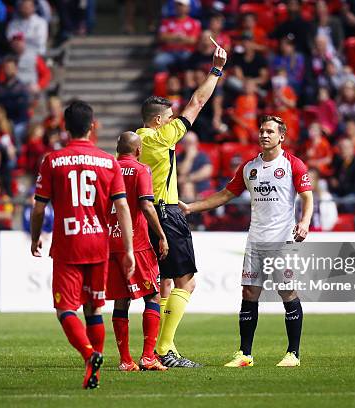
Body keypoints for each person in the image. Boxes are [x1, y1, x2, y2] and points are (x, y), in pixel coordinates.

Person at [180, 115, 313, 368]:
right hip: (256, 239)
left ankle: (293, 354)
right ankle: (245, 354)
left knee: (286, 291)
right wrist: (192, 208)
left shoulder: (293, 165)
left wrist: (304, 222)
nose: (264, 135)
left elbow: (307, 197)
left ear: (281, 136)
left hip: (282, 239)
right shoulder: (249, 168)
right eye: (262, 131)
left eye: (270, 132)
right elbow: (224, 195)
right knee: (249, 292)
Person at [30, 100, 135, 389]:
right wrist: (127, 249)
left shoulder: (52, 160)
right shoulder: (108, 162)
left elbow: (38, 208)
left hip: (68, 244)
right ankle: (95, 371)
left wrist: (35, 236)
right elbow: (123, 208)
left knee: (65, 309)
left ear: (64, 127)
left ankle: (89, 355)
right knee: (94, 309)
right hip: (98, 244)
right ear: (93, 127)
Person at [135, 42, 227, 368]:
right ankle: (164, 348)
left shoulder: (135, 140)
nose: (176, 122)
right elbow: (198, 101)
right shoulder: (163, 136)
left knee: (163, 282)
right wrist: (216, 69)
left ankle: (153, 350)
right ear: (159, 120)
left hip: (143, 213)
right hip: (166, 212)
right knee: (187, 281)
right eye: (170, 117)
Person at [107, 131, 169, 372]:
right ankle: (147, 357)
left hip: (111, 243)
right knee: (152, 295)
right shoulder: (141, 170)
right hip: (138, 243)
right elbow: (145, 204)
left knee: (121, 300)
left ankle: (125, 360)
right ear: (138, 150)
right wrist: (162, 235)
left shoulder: (107, 168)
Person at [153, 0, 201, 72]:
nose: (179, 7)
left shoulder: (194, 22)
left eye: (181, 5)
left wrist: (170, 38)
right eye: (177, 5)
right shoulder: (166, 21)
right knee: (158, 61)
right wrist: (179, 37)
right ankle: (167, 79)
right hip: (169, 52)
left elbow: (193, 40)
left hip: (186, 52)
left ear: (188, 8)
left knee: (189, 59)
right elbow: (161, 37)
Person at [329, 138, 355, 210]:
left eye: (346, 148)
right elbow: (335, 178)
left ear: (352, 149)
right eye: (341, 148)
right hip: (342, 193)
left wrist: (339, 185)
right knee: (328, 200)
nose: (343, 150)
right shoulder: (339, 162)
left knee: (346, 202)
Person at [177, 131, 213, 202]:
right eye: (187, 143)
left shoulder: (202, 156)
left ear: (196, 143)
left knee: (187, 184)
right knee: (187, 186)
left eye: (191, 143)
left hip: (202, 188)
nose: (189, 145)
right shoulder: (179, 157)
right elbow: (182, 172)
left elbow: (207, 171)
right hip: (185, 190)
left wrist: (188, 178)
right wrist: (189, 157)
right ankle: (190, 211)